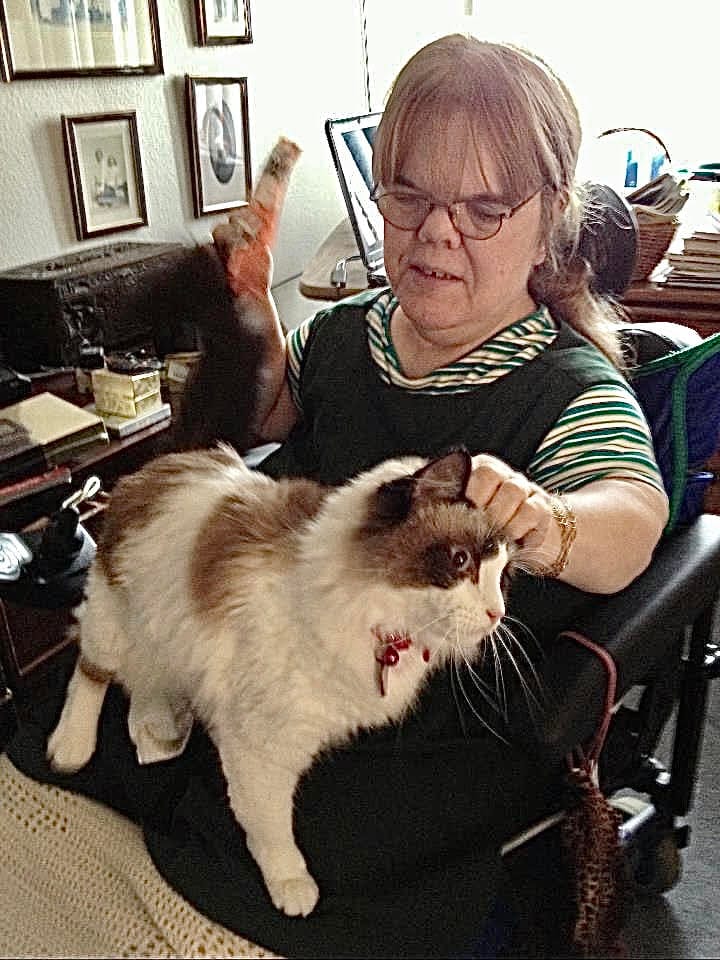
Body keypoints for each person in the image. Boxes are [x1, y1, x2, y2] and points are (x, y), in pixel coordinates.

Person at [7, 34, 668, 960]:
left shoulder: (570, 392)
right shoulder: (353, 332)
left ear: (551, 215)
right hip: (255, 656)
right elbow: (279, 410)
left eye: (483, 209)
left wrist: (548, 522)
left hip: (395, 744)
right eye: (410, 196)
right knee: (42, 779)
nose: (438, 232)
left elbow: (633, 518)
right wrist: (257, 315)